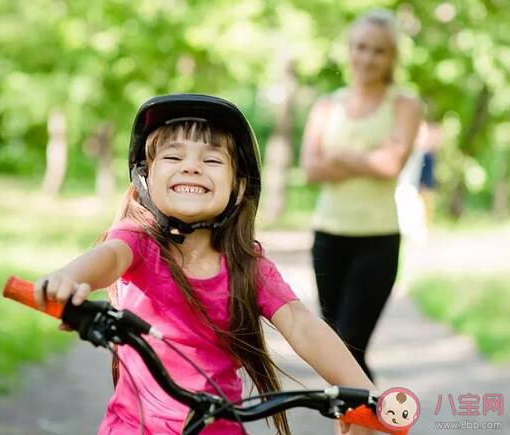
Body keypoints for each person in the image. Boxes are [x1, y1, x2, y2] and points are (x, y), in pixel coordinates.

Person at [33, 94, 376, 435]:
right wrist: (68, 278)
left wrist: (366, 394)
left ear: (239, 187)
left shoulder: (248, 266)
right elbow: (107, 258)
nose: (191, 166)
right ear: (146, 177)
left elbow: (300, 324)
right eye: (172, 156)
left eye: (212, 160)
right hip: (133, 428)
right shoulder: (137, 242)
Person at [301, 9, 422, 384]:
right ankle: (364, 422)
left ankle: (373, 422)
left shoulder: (404, 104)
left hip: (377, 240)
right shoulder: (326, 106)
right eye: (361, 47)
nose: (367, 58)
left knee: (350, 346)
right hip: (328, 238)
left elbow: (391, 165)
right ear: (349, 50)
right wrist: (369, 158)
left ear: (392, 57)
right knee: (335, 351)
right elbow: (310, 169)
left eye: (378, 51)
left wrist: (340, 156)